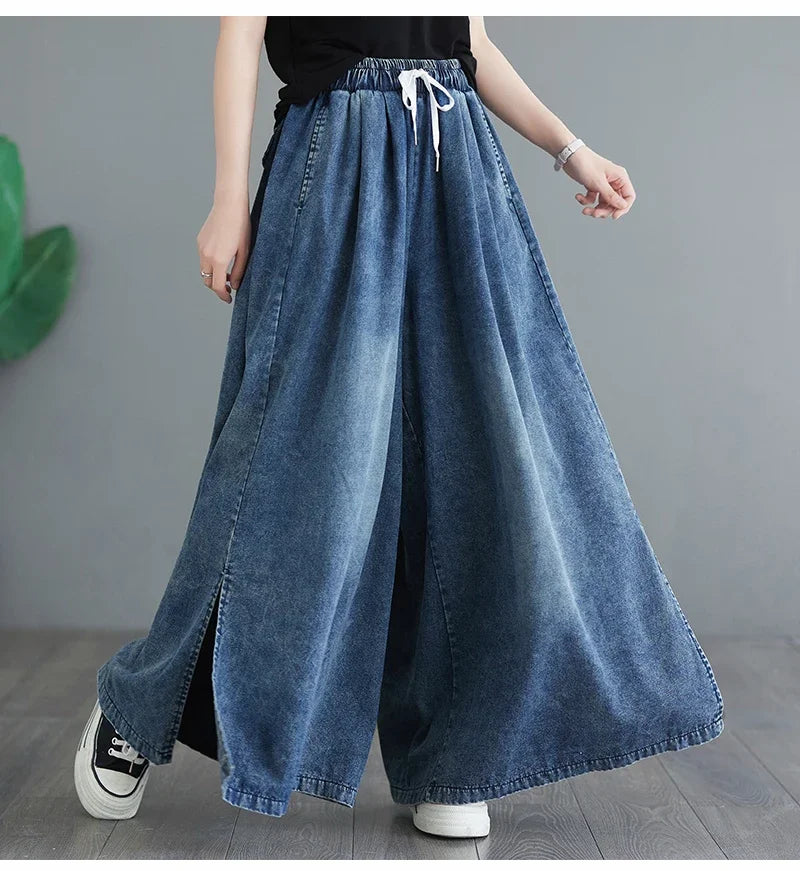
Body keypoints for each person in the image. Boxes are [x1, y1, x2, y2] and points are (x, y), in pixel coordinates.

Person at [74, 16, 724, 840]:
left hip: (456, 165)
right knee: (302, 472)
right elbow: (241, 29)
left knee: (482, 463)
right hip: (337, 161)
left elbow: (468, 41)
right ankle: (140, 703)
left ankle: (454, 755)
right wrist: (229, 196)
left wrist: (570, 148)